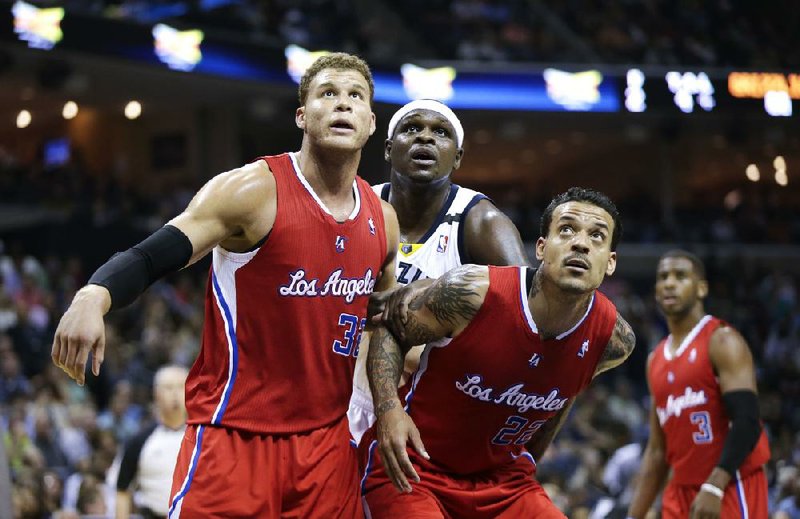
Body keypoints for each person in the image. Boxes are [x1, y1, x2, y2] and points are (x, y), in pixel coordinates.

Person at [51, 52, 399, 518]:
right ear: (302, 115)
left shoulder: (384, 221)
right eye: (328, 94)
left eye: (355, 96)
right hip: (236, 436)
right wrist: (94, 293)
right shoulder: (252, 190)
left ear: (372, 122)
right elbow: (158, 252)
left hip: (326, 447)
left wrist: (385, 406)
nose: (342, 105)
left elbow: (383, 327)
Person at [363, 187, 636, 518]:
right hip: (414, 467)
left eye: (597, 236)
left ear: (610, 262)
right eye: (566, 230)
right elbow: (390, 327)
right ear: (541, 247)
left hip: (505, 483)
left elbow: (564, 395)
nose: (580, 243)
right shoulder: (473, 292)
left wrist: (533, 456)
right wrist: (390, 410)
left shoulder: (613, 340)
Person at [348, 99, 531, 445]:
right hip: (348, 396)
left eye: (441, 133)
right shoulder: (358, 208)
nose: (425, 139)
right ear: (389, 150)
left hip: (434, 407)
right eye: (412, 129)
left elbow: (527, 309)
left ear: (458, 157)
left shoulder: (481, 221)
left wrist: (443, 303)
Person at [627, 250, 770, 519]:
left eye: (680, 276)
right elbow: (657, 452)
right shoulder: (654, 360)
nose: (669, 283)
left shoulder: (722, 340)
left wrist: (715, 485)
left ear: (701, 288)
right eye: (663, 277)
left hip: (728, 483)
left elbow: (747, 421)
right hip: (680, 492)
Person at [115, 365, 188, 519]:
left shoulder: (204, 438)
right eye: (169, 387)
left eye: (181, 387)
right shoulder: (140, 440)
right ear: (156, 393)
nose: (175, 394)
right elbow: (122, 490)